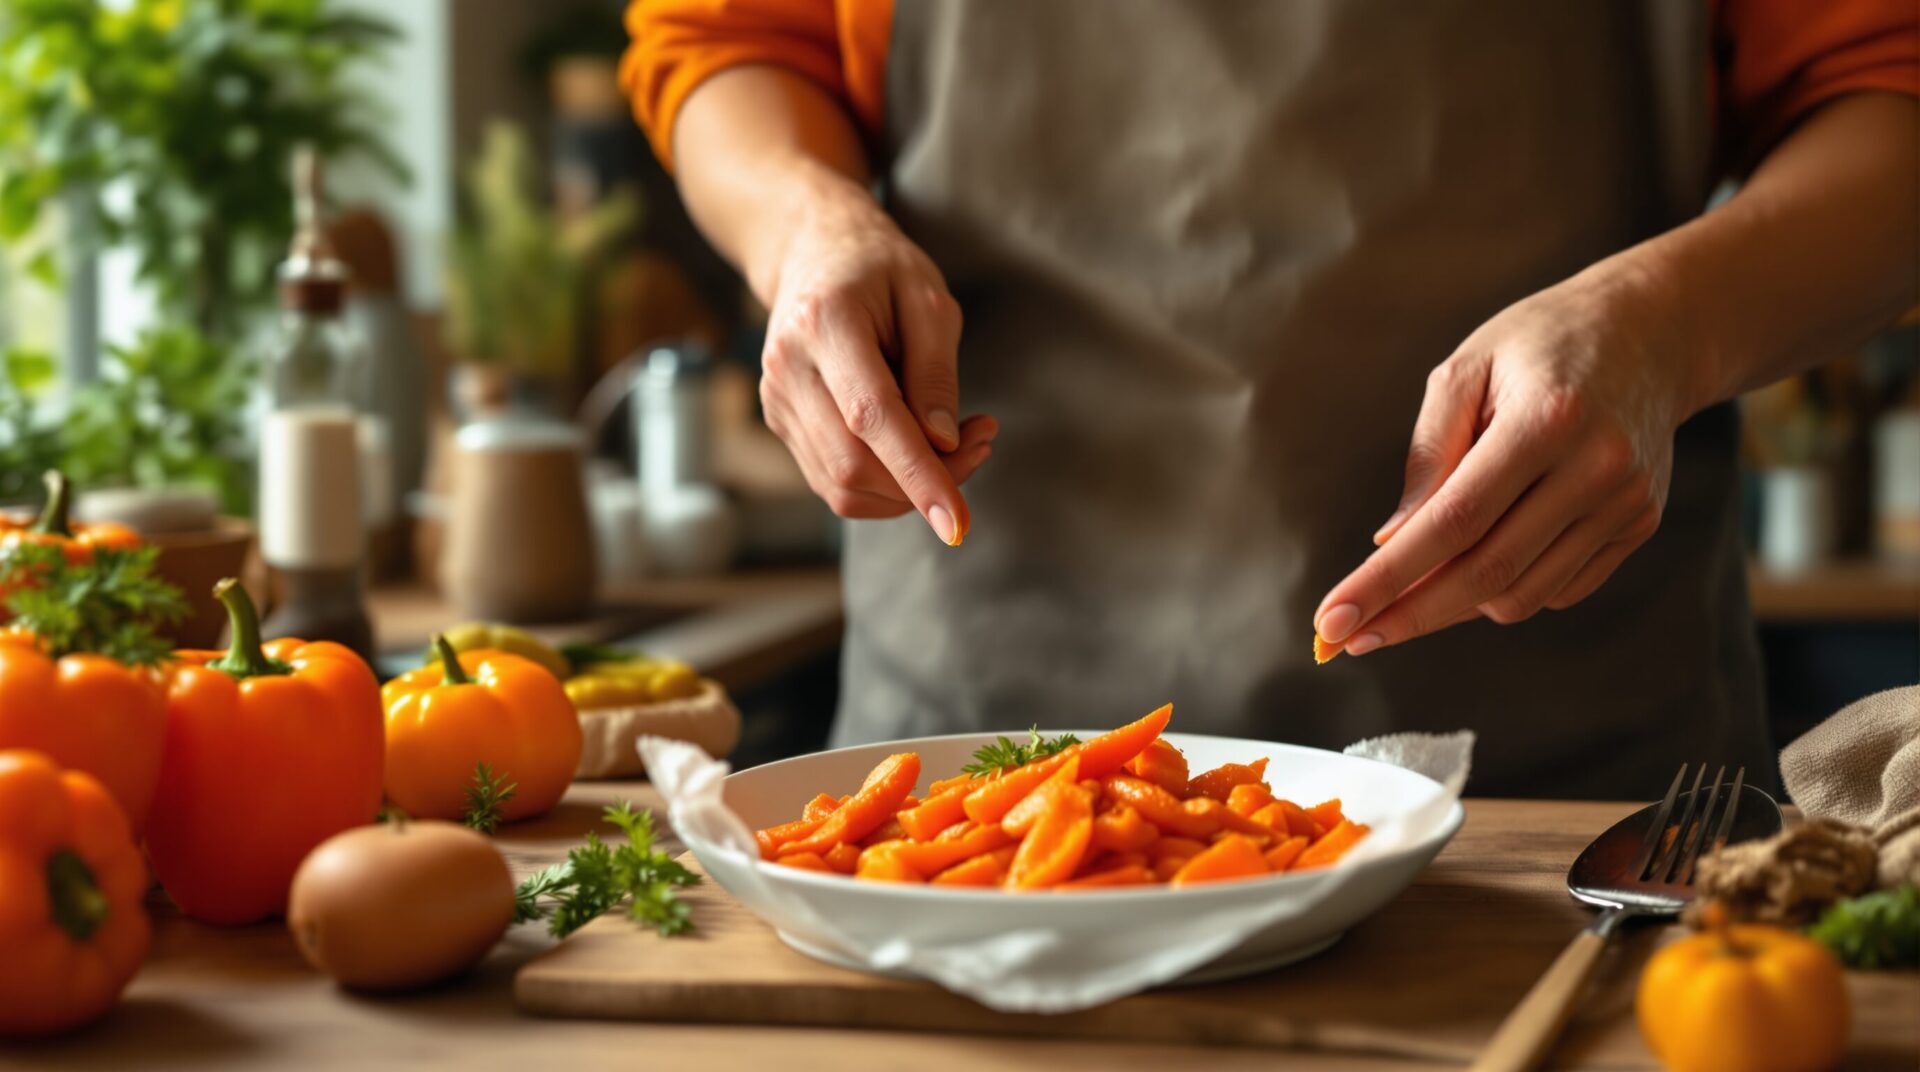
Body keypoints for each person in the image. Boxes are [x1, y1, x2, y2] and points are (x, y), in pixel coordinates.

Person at [621, 0, 1918, 796]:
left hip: (1568, 789)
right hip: (976, 758)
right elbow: (733, 40)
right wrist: (806, 232)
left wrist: (1662, 329)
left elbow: (1891, 93)